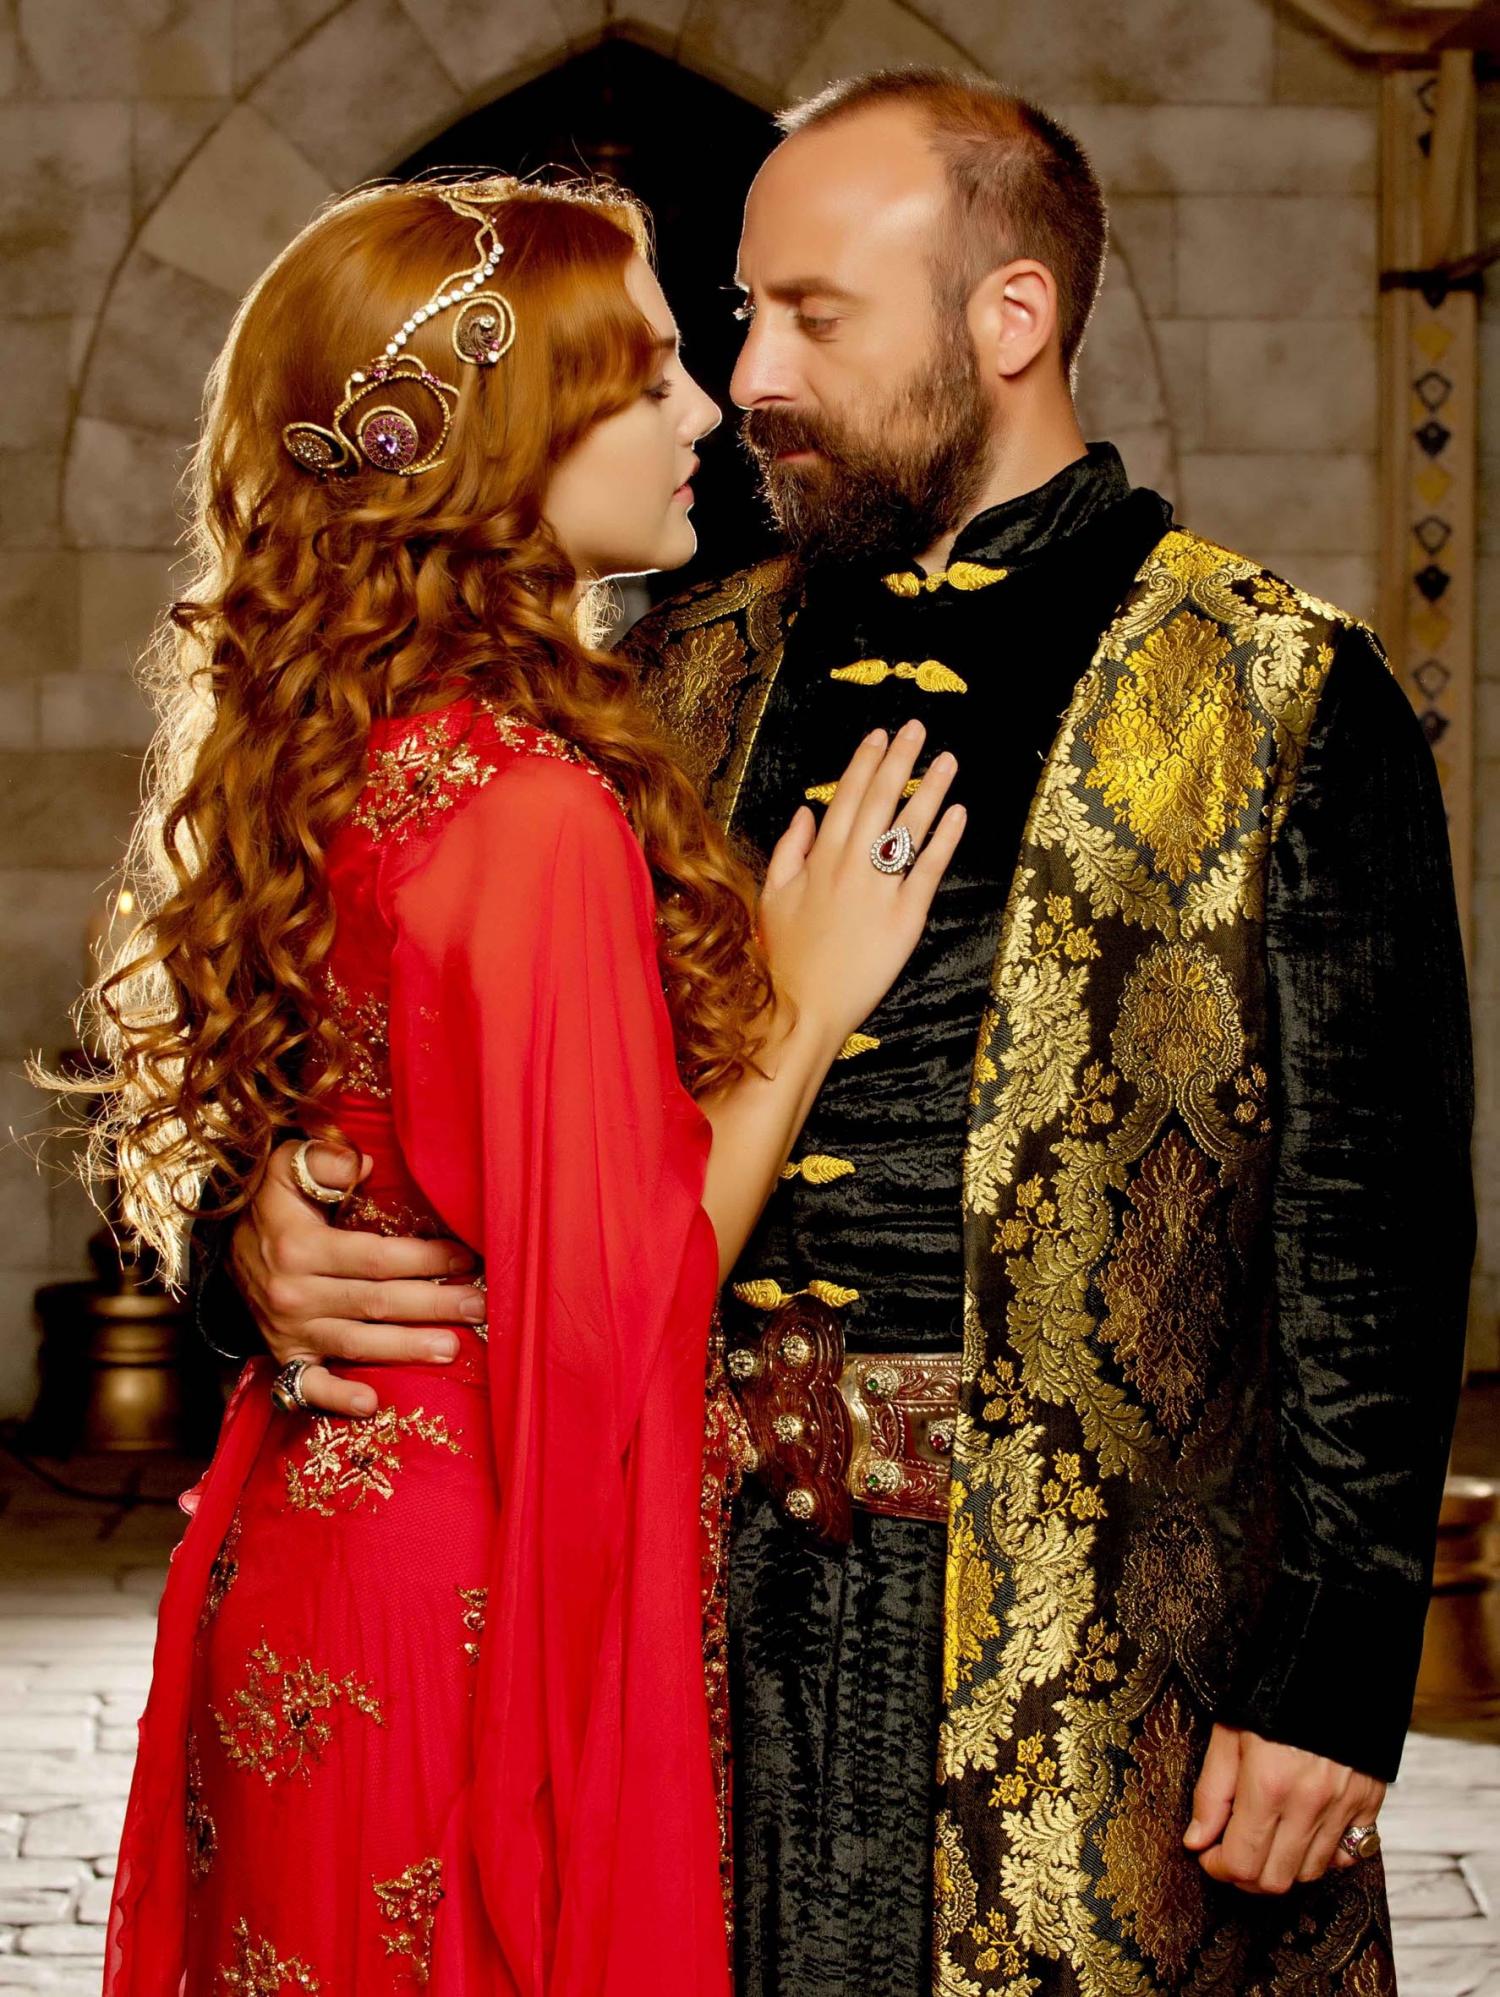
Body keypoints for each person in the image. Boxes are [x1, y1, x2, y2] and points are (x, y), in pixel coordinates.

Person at [197, 71, 1476, 1997]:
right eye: (737, 317)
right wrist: (256, 1237)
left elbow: (1373, 1231)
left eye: (812, 315)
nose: (749, 380)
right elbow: (424, 1049)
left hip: (1100, 1679)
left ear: (1010, 320)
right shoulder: (660, 669)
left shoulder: (1282, 687)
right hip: (682, 1650)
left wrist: (1335, 1677)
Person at [77, 174, 964, 1997]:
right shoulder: (536, 811)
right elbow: (609, 1312)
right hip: (460, 1604)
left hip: (308, 1549)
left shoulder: (349, 750)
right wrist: (804, 1010)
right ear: (499, 440)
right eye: (642, 376)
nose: (703, 409)